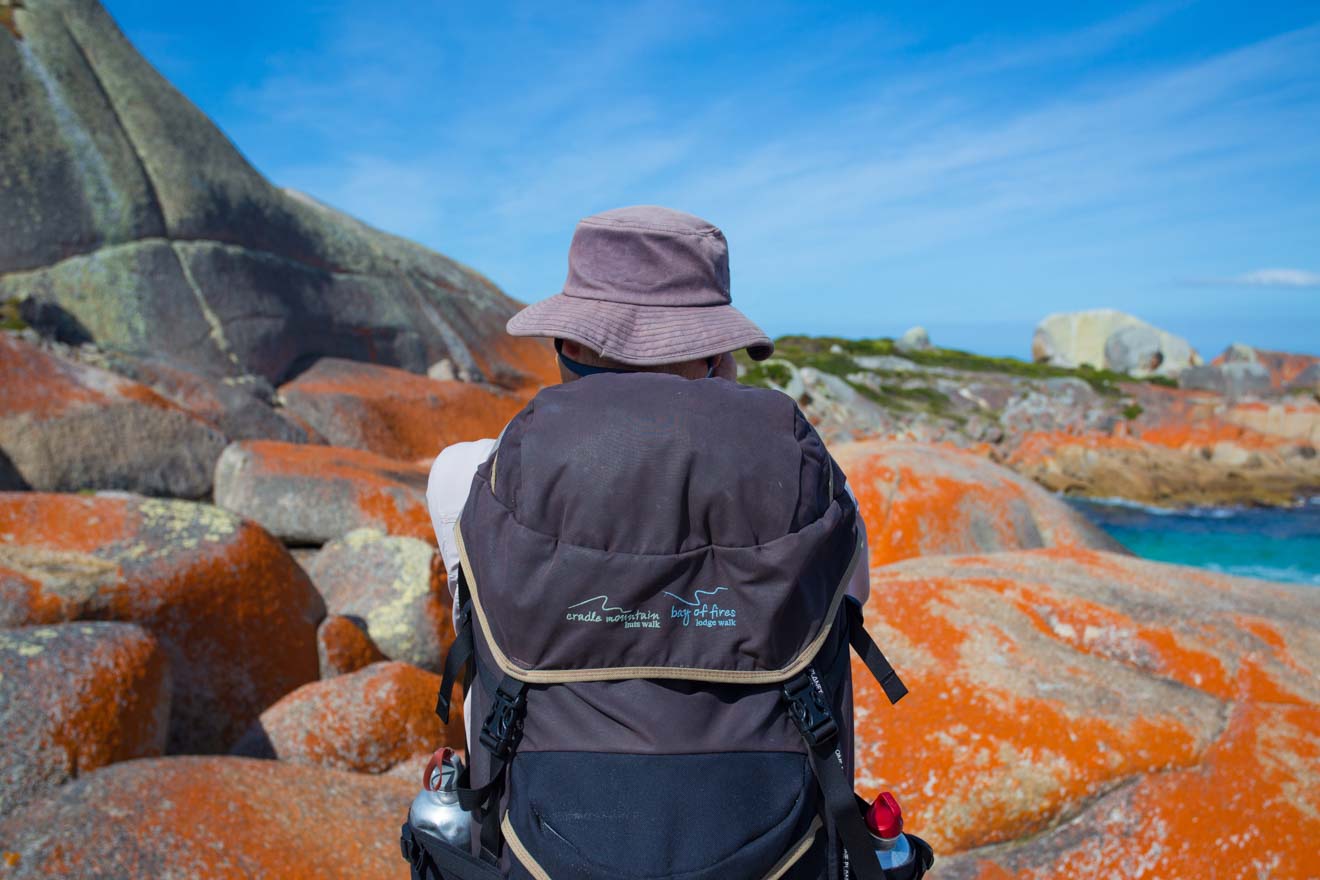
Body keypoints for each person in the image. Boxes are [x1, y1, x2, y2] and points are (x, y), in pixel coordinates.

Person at [426, 205, 871, 614]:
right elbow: (846, 600)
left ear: (571, 344)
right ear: (716, 356)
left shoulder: (466, 476)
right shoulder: (809, 480)